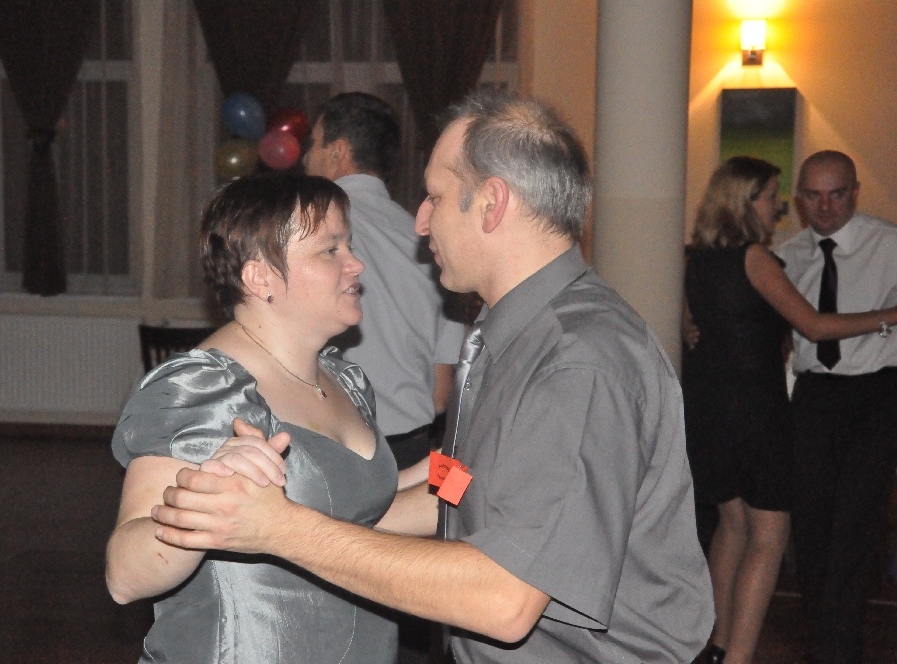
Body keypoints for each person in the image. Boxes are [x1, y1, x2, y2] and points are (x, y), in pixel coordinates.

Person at [151, 88, 716, 663]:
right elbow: (465, 483)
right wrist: (294, 513)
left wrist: (285, 530)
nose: (420, 221)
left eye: (435, 197)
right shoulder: (517, 334)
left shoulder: (577, 361)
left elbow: (503, 598)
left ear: (492, 204)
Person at [105, 174, 401, 663]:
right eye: (330, 250)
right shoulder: (203, 389)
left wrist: (459, 472)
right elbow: (124, 576)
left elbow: (363, 514)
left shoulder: (345, 381)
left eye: (349, 245)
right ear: (260, 277)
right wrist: (204, 495)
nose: (355, 264)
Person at [681, 156, 897, 664]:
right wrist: (890, 316)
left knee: (734, 528)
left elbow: (701, 327)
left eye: (836, 194)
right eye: (773, 197)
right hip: (763, 410)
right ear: (745, 201)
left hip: (716, 408)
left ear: (854, 192)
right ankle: (739, 656)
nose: (778, 208)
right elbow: (813, 326)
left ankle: (717, 647)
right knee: (772, 535)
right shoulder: (764, 257)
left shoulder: (700, 259)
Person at [778, 150, 897, 664]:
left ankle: (837, 646)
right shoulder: (787, 255)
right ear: (799, 200)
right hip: (815, 395)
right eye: (813, 195)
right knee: (811, 521)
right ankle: (821, 631)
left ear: (855, 192)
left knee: (856, 521)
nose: (825, 207)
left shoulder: (889, 244)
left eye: (836, 194)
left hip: (877, 392)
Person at [303, 91, 463, 470]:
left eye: (313, 144)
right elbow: (441, 396)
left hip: (334, 455)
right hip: (415, 455)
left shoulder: (304, 234)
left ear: (338, 151)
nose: (305, 158)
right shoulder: (435, 245)